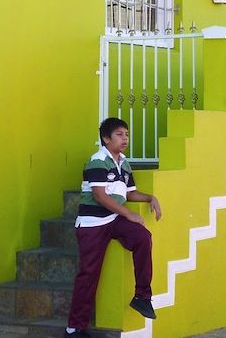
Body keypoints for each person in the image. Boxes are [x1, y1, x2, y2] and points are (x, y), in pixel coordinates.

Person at [65, 118, 162, 338]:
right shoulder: (97, 161)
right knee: (88, 274)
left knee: (142, 237)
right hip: (92, 223)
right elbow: (99, 196)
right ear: (106, 139)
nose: (125, 138)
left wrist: (150, 198)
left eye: (126, 134)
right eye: (119, 134)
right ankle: (74, 328)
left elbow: (129, 194)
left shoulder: (124, 163)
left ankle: (142, 297)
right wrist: (129, 213)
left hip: (114, 219)